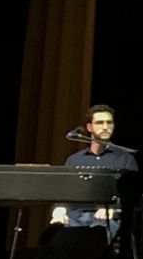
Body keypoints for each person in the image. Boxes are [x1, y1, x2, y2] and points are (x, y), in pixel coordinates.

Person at [54, 103, 138, 243]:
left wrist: (114, 209)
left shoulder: (125, 159)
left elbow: (132, 195)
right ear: (89, 127)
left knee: (97, 236)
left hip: (107, 218)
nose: (105, 127)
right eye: (100, 122)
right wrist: (59, 210)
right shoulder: (74, 159)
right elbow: (64, 191)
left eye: (109, 122)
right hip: (75, 217)